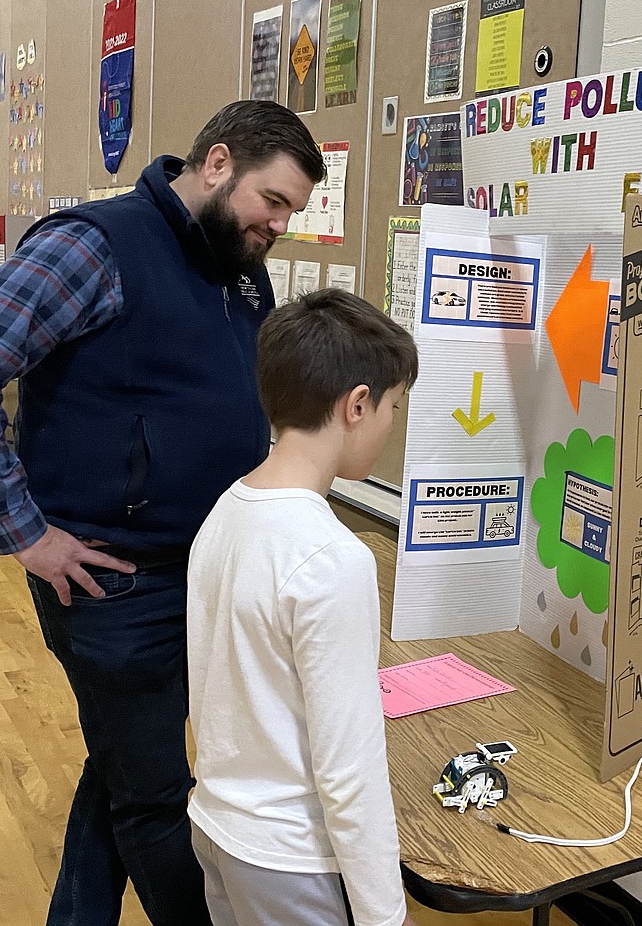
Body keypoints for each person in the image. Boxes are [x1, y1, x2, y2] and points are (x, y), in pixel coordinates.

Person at [0, 101, 325, 926]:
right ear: (216, 163)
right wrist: (23, 533)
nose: (279, 225)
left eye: (292, 213)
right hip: (112, 582)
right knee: (156, 800)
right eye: (272, 201)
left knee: (129, 762)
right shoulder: (93, 247)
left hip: (201, 569)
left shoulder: (238, 263)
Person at [187, 288, 419, 926]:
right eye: (393, 408)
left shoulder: (226, 510)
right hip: (289, 860)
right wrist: (384, 916)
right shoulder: (334, 560)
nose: (389, 425)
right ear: (357, 404)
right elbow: (351, 771)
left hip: (216, 825)